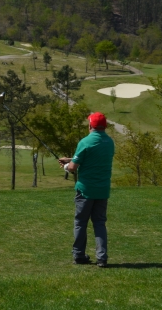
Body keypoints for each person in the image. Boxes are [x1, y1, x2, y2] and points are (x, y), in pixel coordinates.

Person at [59, 112, 114, 268]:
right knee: (99, 223)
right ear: (105, 126)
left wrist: (66, 166)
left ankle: (79, 255)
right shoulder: (109, 142)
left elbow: (73, 168)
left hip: (85, 190)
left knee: (80, 222)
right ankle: (102, 258)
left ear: (90, 125)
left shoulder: (85, 142)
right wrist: (71, 158)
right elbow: (92, 157)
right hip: (103, 190)